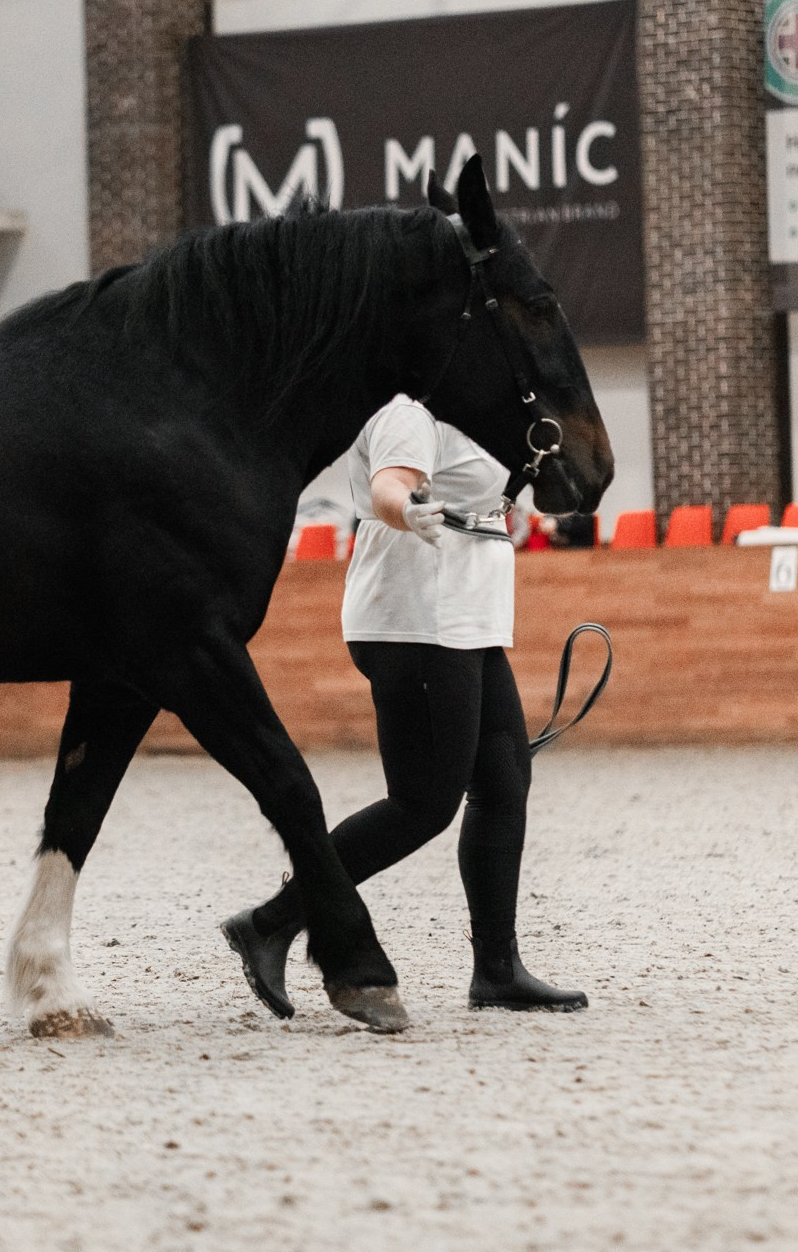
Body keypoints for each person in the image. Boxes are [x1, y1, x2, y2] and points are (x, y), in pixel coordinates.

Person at [221, 394, 585, 1017]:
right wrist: (405, 510)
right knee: (422, 803)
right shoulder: (408, 412)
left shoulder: (474, 414)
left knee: (502, 783)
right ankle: (272, 921)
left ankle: (497, 970)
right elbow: (392, 486)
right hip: (414, 621)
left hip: (466, 619)